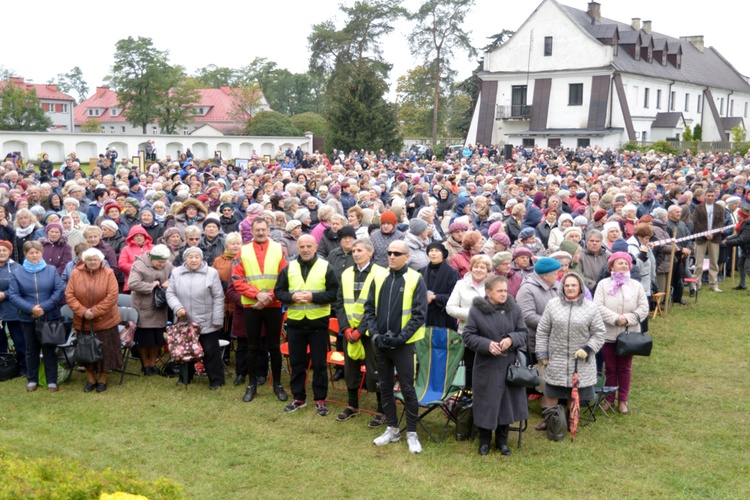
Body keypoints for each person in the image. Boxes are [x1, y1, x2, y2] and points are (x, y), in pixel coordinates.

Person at [363, 239, 428, 454]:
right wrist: (375, 334)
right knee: (385, 385)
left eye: (397, 253)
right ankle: (392, 428)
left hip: (404, 345)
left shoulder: (415, 278)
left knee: (407, 388)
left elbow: (419, 315)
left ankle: (411, 432)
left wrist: (400, 338)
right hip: (381, 342)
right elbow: (369, 308)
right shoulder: (379, 276)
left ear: (407, 256)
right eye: (389, 252)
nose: (391, 256)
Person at [462, 275, 528, 456]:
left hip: (508, 366)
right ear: (488, 292)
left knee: (506, 403)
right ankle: (484, 441)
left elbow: (523, 333)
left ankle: (502, 441)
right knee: (486, 403)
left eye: (505, 290)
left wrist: (510, 339)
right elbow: (468, 336)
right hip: (486, 365)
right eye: (499, 291)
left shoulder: (514, 309)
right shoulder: (476, 311)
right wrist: (486, 345)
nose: (504, 294)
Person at [274, 234, 338, 415]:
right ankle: (298, 398)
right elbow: (278, 292)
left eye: (309, 246)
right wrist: (291, 297)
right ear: (298, 248)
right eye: (302, 246)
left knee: (319, 364)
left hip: (318, 323)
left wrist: (314, 297)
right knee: (297, 363)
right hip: (295, 323)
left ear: (316, 247)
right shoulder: (289, 267)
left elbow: (334, 293)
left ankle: (320, 400)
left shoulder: (326, 267)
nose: (305, 249)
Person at [535, 273, 605, 430]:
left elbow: (599, 333)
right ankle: (551, 421)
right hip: (557, 358)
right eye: (567, 285)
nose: (570, 288)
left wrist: (588, 349)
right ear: (562, 287)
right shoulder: (552, 304)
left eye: (573, 285)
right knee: (552, 392)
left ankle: (571, 422)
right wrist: (542, 353)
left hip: (580, 360)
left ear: (580, 286)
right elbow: (543, 330)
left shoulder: (591, 308)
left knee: (574, 393)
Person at [232, 218, 289, 403]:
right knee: (252, 346)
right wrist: (257, 295)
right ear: (252, 231)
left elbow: (285, 277)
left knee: (274, 346)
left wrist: (269, 297)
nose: (261, 233)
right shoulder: (243, 251)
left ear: (268, 230)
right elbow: (237, 278)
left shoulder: (279, 249)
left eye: (263, 229)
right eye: (257, 230)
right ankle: (252, 385)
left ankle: (278, 384)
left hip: (273, 305)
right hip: (252, 305)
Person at [334, 237, 387, 425]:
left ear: (370, 252)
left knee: (376, 370)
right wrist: (346, 328)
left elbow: (378, 306)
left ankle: (382, 410)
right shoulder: (346, 273)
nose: (356, 253)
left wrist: (361, 330)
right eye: (354, 250)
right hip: (349, 331)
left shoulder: (381, 274)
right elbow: (340, 303)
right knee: (350, 369)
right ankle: (352, 405)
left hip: (371, 331)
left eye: (360, 250)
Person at [593, 252, 649, 415]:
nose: (624, 265)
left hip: (629, 335)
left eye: (626, 263)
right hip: (608, 333)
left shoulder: (636, 285)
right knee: (610, 368)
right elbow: (597, 305)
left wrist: (628, 319)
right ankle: (609, 399)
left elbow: (643, 308)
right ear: (611, 266)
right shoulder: (603, 285)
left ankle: (623, 400)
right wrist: (615, 318)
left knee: (625, 368)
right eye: (620, 263)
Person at [9, 241, 66, 392]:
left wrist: (43, 308)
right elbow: (13, 295)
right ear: (25, 254)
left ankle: (51, 381)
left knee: (49, 349)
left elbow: (59, 290)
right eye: (31, 253)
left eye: (37, 252)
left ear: (42, 253)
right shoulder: (17, 273)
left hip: (49, 317)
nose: (35, 255)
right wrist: (31, 309)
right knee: (31, 349)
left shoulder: (51, 270)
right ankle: (32, 379)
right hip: (27, 318)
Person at [166, 247, 225, 390]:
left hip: (206, 320)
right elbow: (170, 293)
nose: (193, 260)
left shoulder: (211, 273)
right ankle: (185, 377)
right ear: (185, 259)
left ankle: (216, 380)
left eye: (197, 257)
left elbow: (218, 297)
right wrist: (177, 307)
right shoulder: (176, 272)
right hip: (185, 321)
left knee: (210, 351)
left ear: (201, 258)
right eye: (190, 257)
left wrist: (217, 320)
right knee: (185, 350)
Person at [65, 247, 122, 393]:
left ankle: (102, 379)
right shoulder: (75, 273)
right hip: (82, 320)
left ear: (101, 260)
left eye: (95, 259)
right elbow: (69, 295)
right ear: (84, 260)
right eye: (89, 259)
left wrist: (95, 311)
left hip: (105, 319)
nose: (92, 262)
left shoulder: (108, 273)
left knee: (105, 351)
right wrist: (83, 311)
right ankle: (90, 379)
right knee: (85, 349)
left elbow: (112, 296)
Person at [447, 254, 492, 391]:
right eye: (476, 266)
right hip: (467, 333)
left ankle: (485, 395)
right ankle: (468, 396)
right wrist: (473, 314)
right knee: (469, 367)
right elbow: (450, 308)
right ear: (471, 268)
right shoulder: (461, 285)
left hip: (489, 333)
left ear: (488, 270)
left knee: (487, 367)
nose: (478, 270)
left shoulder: (494, 284)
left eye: (482, 267)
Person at [128, 244, 173, 376]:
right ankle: (145, 365)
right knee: (145, 339)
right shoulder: (139, 265)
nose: (162, 264)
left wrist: (169, 281)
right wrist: (150, 285)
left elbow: (176, 274)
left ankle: (153, 364)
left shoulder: (167, 264)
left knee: (158, 338)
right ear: (152, 258)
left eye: (164, 262)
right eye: (160, 262)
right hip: (143, 307)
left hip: (159, 307)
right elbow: (132, 283)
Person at [419, 242, 460, 330]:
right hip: (426, 315)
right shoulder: (421, 271)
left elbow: (455, 296)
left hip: (444, 316)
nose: (433, 253)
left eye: (437, 251)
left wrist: (435, 297)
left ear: (443, 254)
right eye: (431, 251)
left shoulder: (452, 273)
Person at [0, 240, 25, 376]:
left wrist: (5, 294)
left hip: (13, 309)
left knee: (19, 340)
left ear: (9, 252)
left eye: (4, 250)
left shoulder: (17, 268)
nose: (1, 253)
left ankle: (24, 368)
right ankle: (3, 367)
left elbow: (20, 287)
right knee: (0, 341)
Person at [692, 189, 724, 292]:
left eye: (712, 195)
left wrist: (713, 233)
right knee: (698, 263)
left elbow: (721, 223)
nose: (710, 197)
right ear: (705, 196)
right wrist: (705, 233)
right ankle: (696, 284)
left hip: (715, 238)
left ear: (715, 196)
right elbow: (696, 222)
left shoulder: (719, 208)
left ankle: (713, 284)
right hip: (701, 238)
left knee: (714, 262)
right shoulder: (698, 208)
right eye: (708, 195)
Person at [118, 225, 154, 292]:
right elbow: (122, 264)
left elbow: (158, 262)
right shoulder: (126, 249)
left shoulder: (153, 248)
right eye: (136, 236)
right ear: (132, 237)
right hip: (132, 282)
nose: (139, 238)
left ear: (145, 236)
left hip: (151, 282)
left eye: (141, 235)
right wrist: (138, 269)